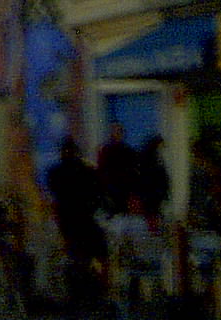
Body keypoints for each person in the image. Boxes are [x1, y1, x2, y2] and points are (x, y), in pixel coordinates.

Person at [45, 138, 107, 306]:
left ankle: (75, 291)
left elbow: (54, 196)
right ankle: (100, 290)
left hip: (66, 222)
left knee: (73, 256)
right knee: (98, 254)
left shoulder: (55, 173)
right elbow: (98, 194)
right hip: (86, 221)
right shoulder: (88, 171)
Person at [96, 123, 139, 216]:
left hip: (124, 187)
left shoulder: (128, 151)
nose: (118, 134)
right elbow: (102, 169)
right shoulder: (106, 150)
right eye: (116, 132)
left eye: (119, 132)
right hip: (111, 187)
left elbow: (133, 169)